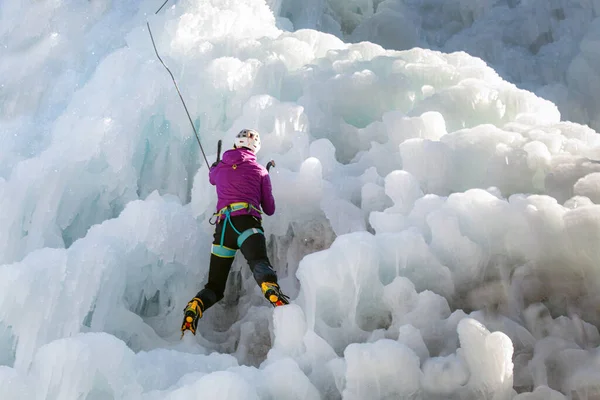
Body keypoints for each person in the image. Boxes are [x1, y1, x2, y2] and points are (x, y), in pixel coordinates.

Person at [181, 128, 289, 336]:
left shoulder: (221, 167)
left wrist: (216, 167)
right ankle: (269, 288)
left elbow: (213, 178)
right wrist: (265, 180)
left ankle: (197, 305)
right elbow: (270, 209)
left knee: (215, 287)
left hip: (223, 230)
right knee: (259, 263)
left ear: (236, 143)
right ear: (255, 148)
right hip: (247, 224)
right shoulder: (260, 171)